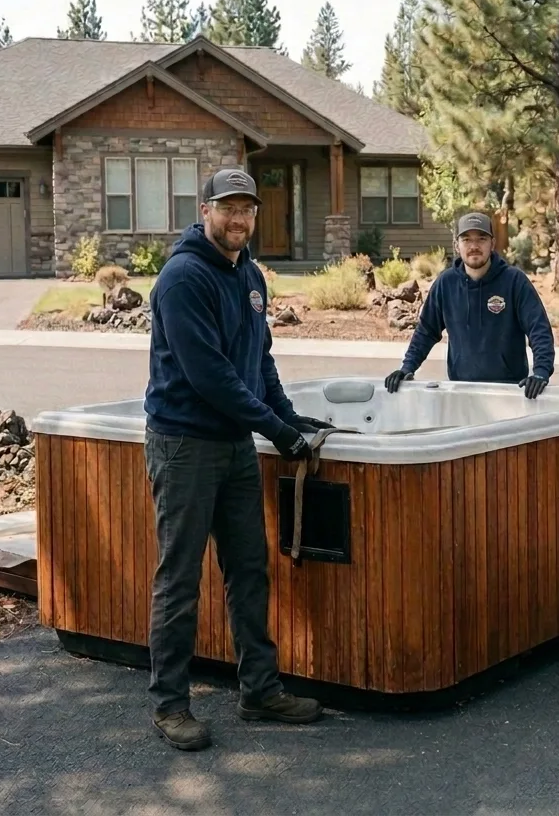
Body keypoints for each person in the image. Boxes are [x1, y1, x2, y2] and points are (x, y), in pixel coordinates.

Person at [142, 167, 332, 751]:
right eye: (228, 208)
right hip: (185, 446)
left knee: (249, 569)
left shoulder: (249, 274)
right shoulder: (183, 278)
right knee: (180, 579)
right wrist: (276, 430)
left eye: (247, 209)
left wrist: (290, 418)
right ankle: (171, 706)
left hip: (233, 447)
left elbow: (258, 360)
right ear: (205, 211)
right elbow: (212, 378)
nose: (239, 219)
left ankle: (259, 690)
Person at [384, 212, 555, 397]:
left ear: (492, 244)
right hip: (461, 392)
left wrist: (541, 372)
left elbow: (539, 330)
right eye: (466, 239)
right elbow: (426, 331)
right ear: (457, 245)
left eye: (481, 239)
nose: (474, 246)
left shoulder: (514, 281)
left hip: (510, 393)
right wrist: (407, 367)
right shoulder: (445, 284)